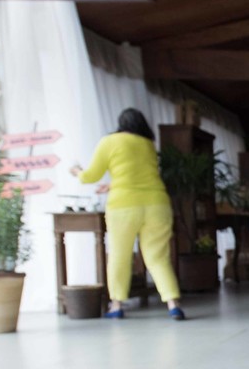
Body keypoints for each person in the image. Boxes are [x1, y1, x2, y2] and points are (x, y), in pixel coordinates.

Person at [69, 108, 184, 320]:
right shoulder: (148, 144)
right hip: (157, 204)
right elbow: (139, 176)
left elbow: (90, 176)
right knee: (158, 257)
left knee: (119, 256)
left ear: (121, 124)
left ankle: (117, 306)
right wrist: (112, 185)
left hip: (124, 207)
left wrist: (76, 170)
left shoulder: (109, 141)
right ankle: (173, 305)